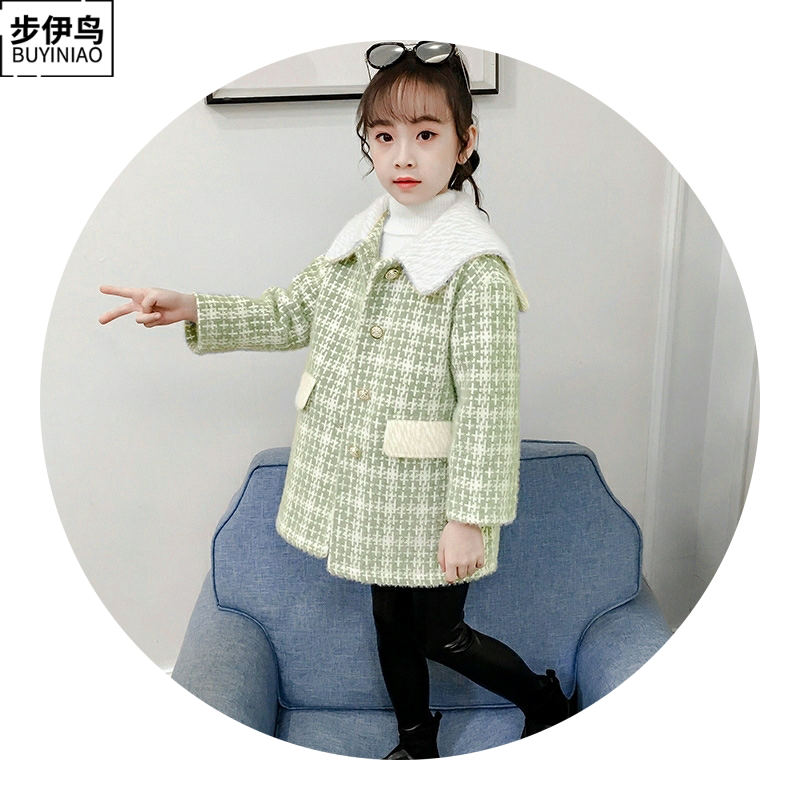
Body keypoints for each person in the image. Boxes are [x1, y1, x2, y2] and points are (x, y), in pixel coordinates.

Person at [99, 41, 571, 759]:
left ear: (465, 142)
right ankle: (415, 740)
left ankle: (545, 700)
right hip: (368, 490)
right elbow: (291, 312)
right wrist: (191, 306)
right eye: (383, 136)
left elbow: (488, 406)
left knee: (441, 633)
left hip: (431, 497)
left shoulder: (477, 269)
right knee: (388, 622)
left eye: (425, 134)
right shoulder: (361, 239)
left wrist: (469, 518)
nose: (402, 156)